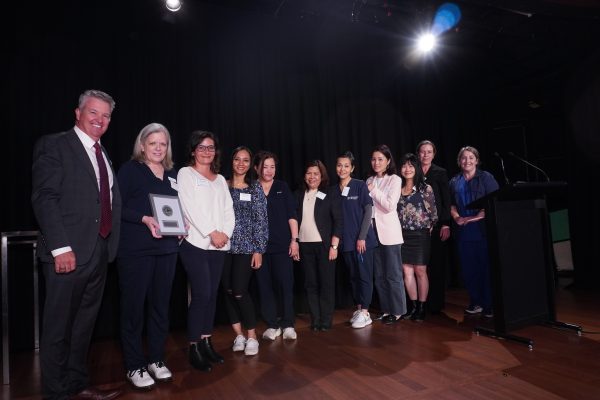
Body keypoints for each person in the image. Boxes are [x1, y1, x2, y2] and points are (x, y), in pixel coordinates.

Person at [31, 89, 122, 400]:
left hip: (98, 252)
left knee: (84, 326)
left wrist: (107, 247)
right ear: (78, 112)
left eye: (106, 115)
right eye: (94, 112)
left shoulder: (103, 153)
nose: (100, 119)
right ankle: (55, 394)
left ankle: (77, 385)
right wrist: (60, 247)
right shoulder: (55, 145)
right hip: (66, 253)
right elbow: (44, 198)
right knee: (58, 328)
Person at [116, 123, 179, 389]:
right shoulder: (130, 170)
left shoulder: (172, 173)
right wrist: (143, 218)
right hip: (135, 251)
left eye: (162, 144)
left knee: (160, 308)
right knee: (133, 310)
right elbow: (115, 206)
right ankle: (134, 365)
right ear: (142, 145)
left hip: (167, 250)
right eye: (152, 143)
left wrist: (181, 226)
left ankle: (155, 359)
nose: (157, 148)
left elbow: (176, 209)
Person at [177, 131, 234, 372]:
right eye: (201, 147)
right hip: (195, 243)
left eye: (210, 147)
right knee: (201, 294)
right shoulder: (185, 174)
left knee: (211, 295)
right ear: (193, 151)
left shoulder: (220, 179)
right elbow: (189, 208)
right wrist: (212, 232)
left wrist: (225, 234)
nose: (206, 151)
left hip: (219, 244)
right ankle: (194, 347)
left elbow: (228, 210)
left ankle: (207, 341)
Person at [222, 146, 268, 356]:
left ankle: (252, 336)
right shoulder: (222, 185)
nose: (241, 164)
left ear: (250, 164)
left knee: (240, 290)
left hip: (246, 247)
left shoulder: (254, 188)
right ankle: (239, 335)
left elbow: (261, 221)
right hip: (223, 246)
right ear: (231, 161)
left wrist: (258, 249)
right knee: (228, 291)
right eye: (237, 159)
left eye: (246, 160)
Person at [253, 151, 300, 341]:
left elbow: (292, 215)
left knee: (285, 285)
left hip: (282, 245)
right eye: (265, 166)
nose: (269, 170)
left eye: (272, 166)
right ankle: (272, 325)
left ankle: (288, 323)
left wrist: (294, 240)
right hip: (259, 248)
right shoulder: (251, 188)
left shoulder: (282, 187)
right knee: (264, 287)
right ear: (257, 168)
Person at [449, 146, 499, 318]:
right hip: (463, 230)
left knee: (486, 267)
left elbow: (494, 201)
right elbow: (451, 204)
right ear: (459, 161)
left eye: (471, 157)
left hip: (483, 229)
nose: (467, 161)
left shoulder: (486, 178)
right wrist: (456, 218)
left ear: (477, 160)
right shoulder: (454, 181)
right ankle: (476, 301)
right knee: (469, 269)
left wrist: (477, 216)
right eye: (464, 158)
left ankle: (489, 304)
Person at [296, 160, 343, 331]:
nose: (312, 177)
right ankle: (315, 320)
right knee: (311, 285)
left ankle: (326, 320)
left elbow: (339, 221)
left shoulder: (330, 193)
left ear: (321, 175)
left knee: (326, 284)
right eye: (309, 173)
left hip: (325, 247)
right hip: (305, 246)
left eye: (316, 173)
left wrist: (334, 246)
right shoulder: (299, 194)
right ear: (304, 176)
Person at [334, 151, 377, 329]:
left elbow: (368, 212)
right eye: (339, 165)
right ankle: (359, 309)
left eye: (346, 165)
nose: (342, 169)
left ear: (352, 168)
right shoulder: (334, 190)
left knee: (364, 277)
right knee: (353, 277)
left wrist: (361, 238)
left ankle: (366, 312)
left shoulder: (359, 186)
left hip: (362, 241)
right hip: (346, 243)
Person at [366, 145, 406, 324]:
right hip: (372, 232)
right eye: (374, 159)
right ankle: (386, 309)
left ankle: (398, 311)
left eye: (380, 159)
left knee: (393, 274)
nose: (376, 162)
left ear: (388, 161)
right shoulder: (369, 179)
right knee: (379, 275)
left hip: (389, 233)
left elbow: (390, 205)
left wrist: (373, 190)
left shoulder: (395, 179)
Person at [397, 153, 438, 321]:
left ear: (417, 169)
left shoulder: (425, 188)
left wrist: (427, 228)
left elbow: (433, 214)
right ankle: (413, 306)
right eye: (404, 166)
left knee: (420, 271)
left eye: (411, 166)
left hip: (420, 234)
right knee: (406, 271)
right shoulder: (396, 188)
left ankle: (422, 307)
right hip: (401, 235)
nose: (407, 169)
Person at [416, 140, 452, 314]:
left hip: (437, 225)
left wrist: (446, 223)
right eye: (423, 152)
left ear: (434, 154)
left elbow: (446, 200)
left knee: (436, 265)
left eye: (429, 152)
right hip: (418, 226)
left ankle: (436, 304)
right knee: (420, 266)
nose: (425, 155)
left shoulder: (440, 172)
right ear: (418, 153)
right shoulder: (412, 170)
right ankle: (421, 303)